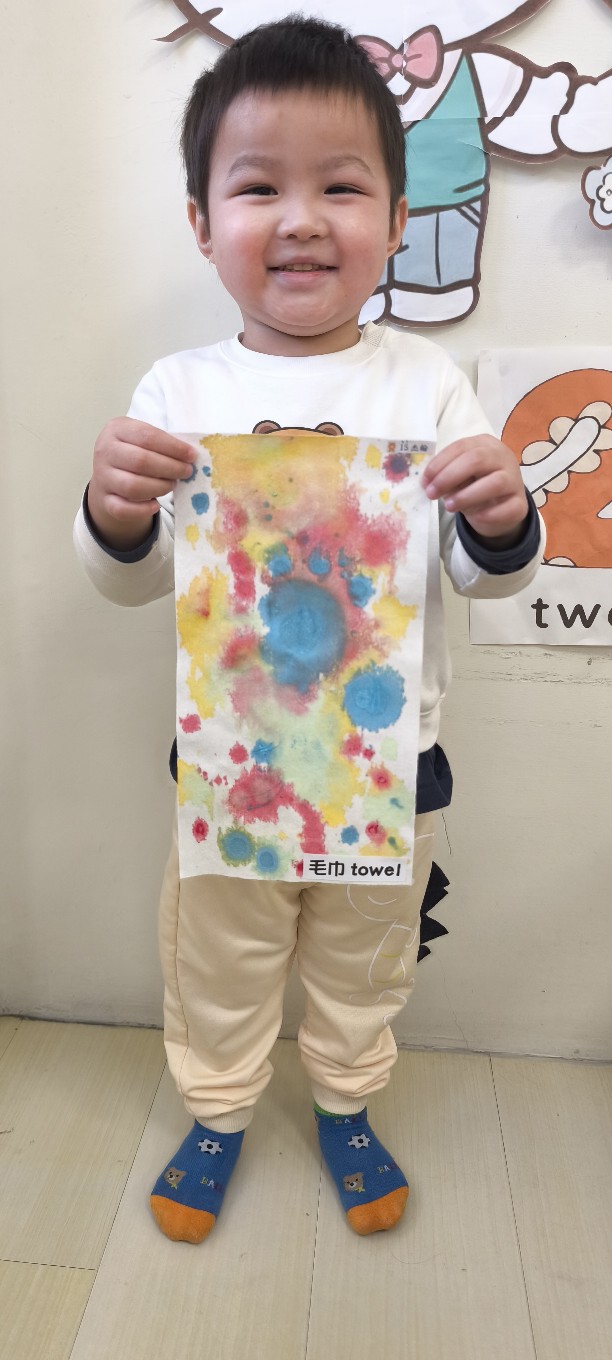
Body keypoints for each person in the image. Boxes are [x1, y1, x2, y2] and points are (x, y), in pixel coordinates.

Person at [74, 16, 543, 1245]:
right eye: (257, 188)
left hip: (391, 765)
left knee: (365, 959)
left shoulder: (429, 386)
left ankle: (345, 1100)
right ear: (200, 221)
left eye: (342, 187)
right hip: (232, 763)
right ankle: (219, 1108)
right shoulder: (180, 392)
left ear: (398, 218)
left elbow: (477, 572)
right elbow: (135, 581)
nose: (300, 219)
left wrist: (502, 518)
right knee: (217, 956)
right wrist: (112, 515)